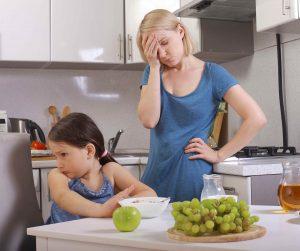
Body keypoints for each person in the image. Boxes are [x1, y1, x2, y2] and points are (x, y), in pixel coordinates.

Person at [136, 9, 267, 202]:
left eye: (164, 43)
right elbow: (148, 120)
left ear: (180, 31)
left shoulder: (213, 74)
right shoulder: (152, 72)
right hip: (153, 182)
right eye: (154, 49)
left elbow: (256, 118)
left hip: (193, 182)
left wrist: (219, 155)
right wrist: (154, 67)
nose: (161, 53)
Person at [46, 112, 156, 224]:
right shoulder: (58, 175)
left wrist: (121, 203)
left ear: (89, 151)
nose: (58, 164)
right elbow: (62, 196)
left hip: (97, 238)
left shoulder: (110, 171)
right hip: (60, 239)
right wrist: (102, 210)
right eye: (56, 156)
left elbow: (150, 194)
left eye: (63, 154)